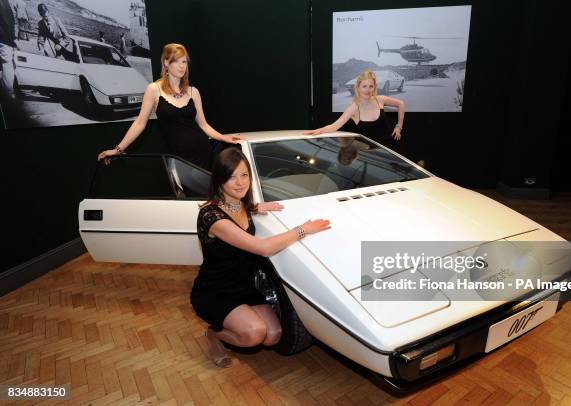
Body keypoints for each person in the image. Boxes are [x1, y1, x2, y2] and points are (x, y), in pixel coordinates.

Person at [192, 148, 330, 367]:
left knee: (273, 335)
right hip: (216, 290)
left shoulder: (240, 205)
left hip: (243, 285)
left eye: (244, 175)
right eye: (231, 176)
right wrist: (302, 229)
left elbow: (241, 208)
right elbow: (263, 248)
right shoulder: (212, 216)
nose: (240, 182)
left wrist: (258, 207)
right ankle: (215, 335)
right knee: (254, 334)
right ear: (219, 179)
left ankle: (233, 325)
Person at [97, 43, 240, 170]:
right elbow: (140, 123)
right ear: (166, 62)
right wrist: (118, 149)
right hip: (179, 159)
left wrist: (223, 138)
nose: (182, 66)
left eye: (184, 61)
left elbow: (203, 125)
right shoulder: (154, 90)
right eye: (176, 61)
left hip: (204, 154)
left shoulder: (193, 91)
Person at [305, 69, 405, 143]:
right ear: (358, 87)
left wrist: (398, 127)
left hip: (392, 147)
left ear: (374, 87)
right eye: (364, 86)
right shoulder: (353, 107)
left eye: (371, 86)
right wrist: (318, 131)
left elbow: (401, 104)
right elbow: (334, 126)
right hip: (372, 153)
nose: (368, 89)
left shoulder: (380, 99)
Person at [0, 0, 18, 100]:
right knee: (7, 65)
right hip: (4, 39)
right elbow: (6, 21)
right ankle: (8, 95)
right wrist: (13, 39)